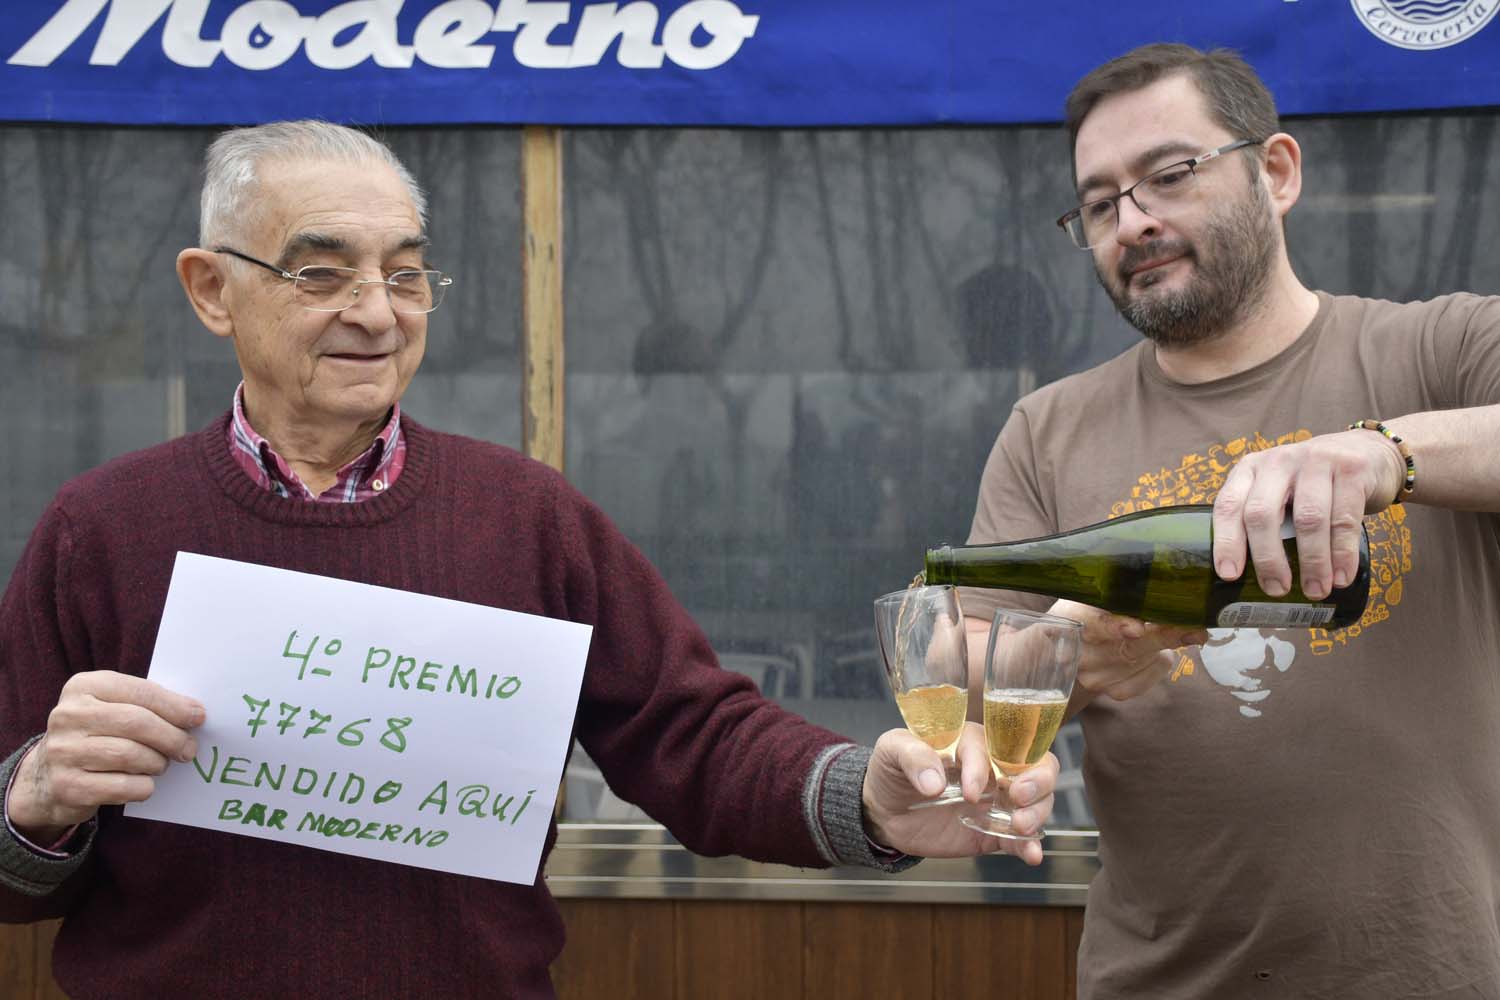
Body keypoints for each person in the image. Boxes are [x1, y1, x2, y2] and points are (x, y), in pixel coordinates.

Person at [0, 120, 1058, 999]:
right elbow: (13, 873)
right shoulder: (102, 527)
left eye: (406, 275)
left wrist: (863, 797)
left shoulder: (525, 514)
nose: (376, 312)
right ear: (210, 288)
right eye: (323, 272)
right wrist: (36, 795)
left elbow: (691, 732)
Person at [960, 43, 1500, 998]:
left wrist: (1387, 454)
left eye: (1169, 175)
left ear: (1276, 171)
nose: (1134, 222)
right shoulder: (1045, 432)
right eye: (1098, 203)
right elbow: (964, 691)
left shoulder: (1439, 349)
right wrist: (1061, 657)